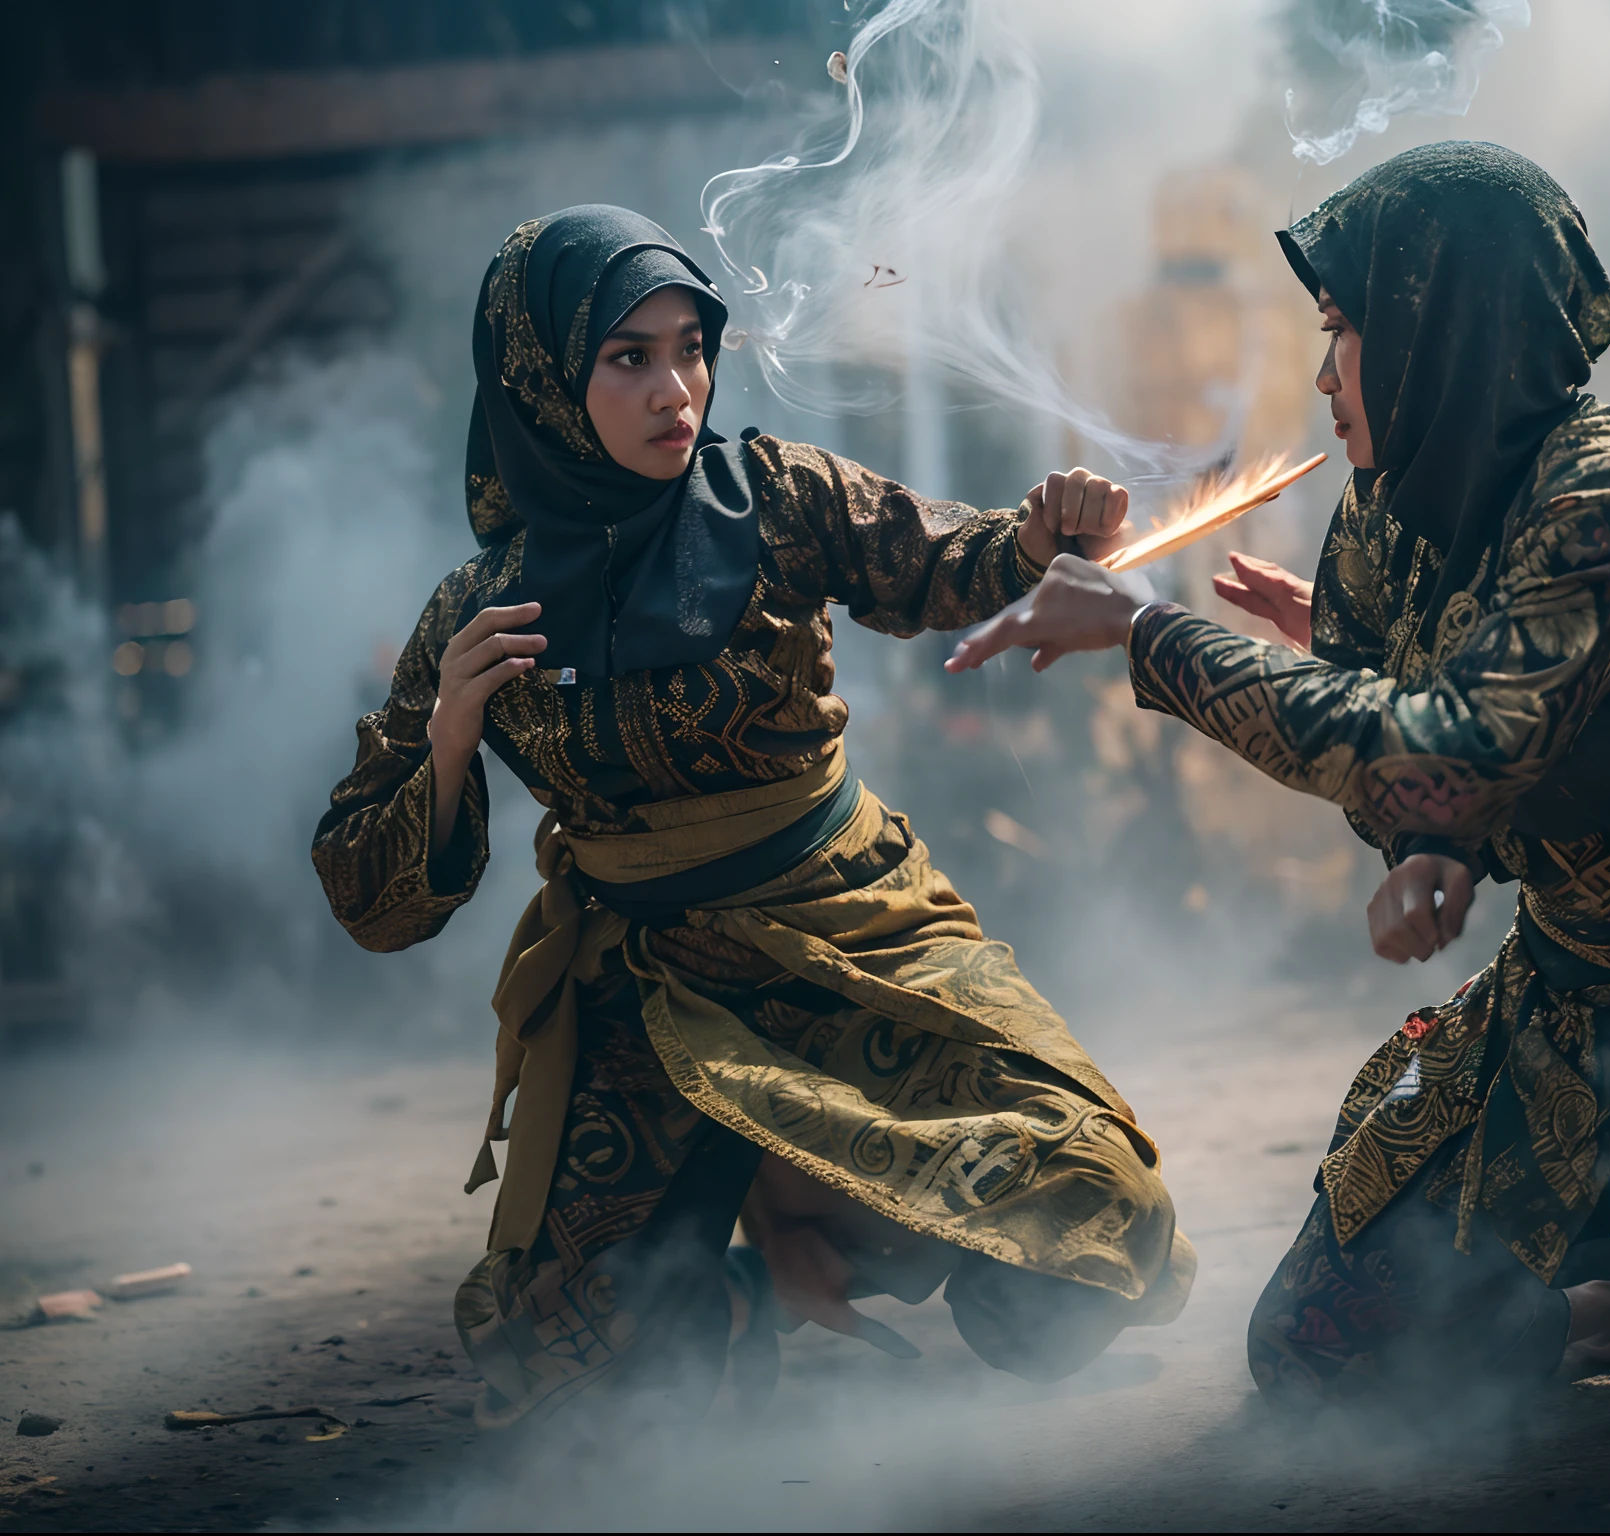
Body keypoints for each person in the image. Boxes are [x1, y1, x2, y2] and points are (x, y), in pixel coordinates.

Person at [944, 142, 1610, 1519]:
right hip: (1561, 1022)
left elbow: (1454, 739)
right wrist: (1430, 857)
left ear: (1446, 334)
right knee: (1325, 1349)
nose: (1321, 377)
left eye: (1344, 333)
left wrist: (1142, 630)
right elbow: (1430, 764)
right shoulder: (1392, 518)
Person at [311, 205, 1192, 1427]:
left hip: (850, 933)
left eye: (690, 345)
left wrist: (1043, 535)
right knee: (579, 1388)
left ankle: (819, 1210)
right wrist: (451, 744)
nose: (677, 388)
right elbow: (369, 898)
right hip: (646, 993)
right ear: (542, 382)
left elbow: (947, 560)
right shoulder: (480, 611)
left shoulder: (773, 496)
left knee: (1092, 1219)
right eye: (629, 358)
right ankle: (728, 1292)